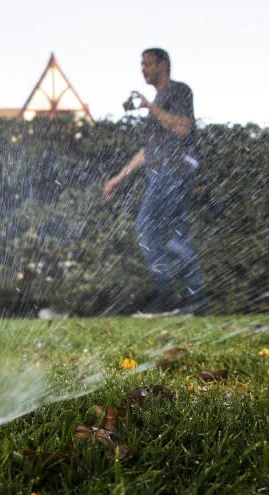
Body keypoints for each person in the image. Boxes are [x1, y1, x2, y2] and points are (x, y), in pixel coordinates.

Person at [103, 48, 208, 315]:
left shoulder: (179, 91)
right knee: (175, 235)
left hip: (173, 172)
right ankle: (195, 300)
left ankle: (165, 297)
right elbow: (148, 150)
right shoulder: (159, 100)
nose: (143, 69)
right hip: (165, 174)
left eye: (148, 63)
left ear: (164, 64)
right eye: (141, 64)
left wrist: (150, 106)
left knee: (147, 228)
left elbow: (183, 128)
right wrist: (119, 177)